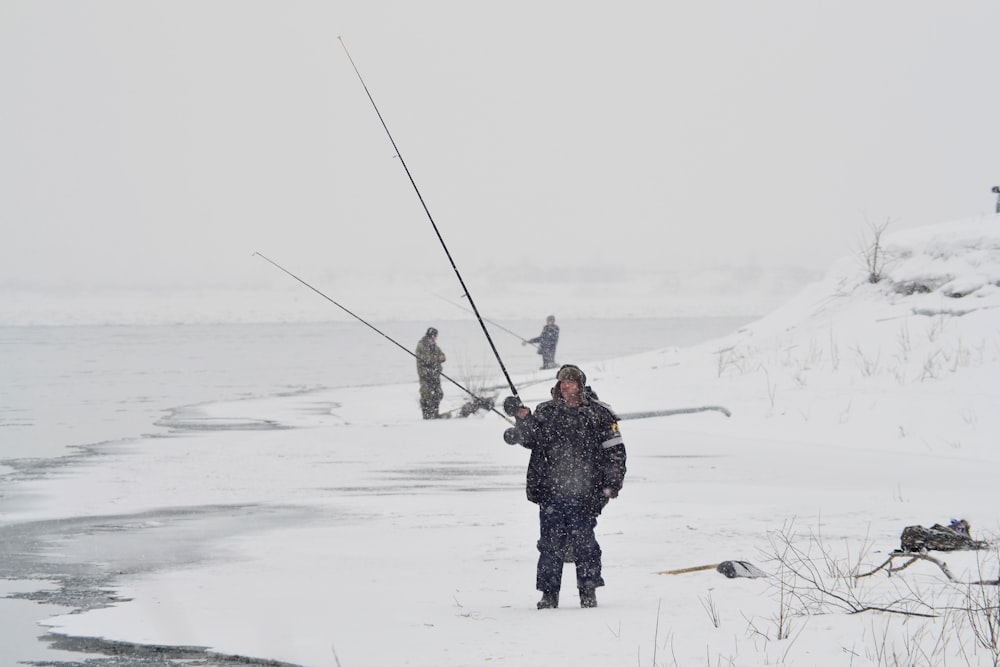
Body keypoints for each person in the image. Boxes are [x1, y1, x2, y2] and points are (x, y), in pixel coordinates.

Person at [504, 364, 626, 609]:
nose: (565, 385)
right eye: (562, 381)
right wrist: (522, 417)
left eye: (570, 381)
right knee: (550, 545)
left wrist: (612, 484)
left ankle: (588, 591)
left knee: (585, 544)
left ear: (580, 385)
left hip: (585, 493)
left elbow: (615, 452)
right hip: (552, 492)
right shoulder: (546, 412)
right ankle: (549, 594)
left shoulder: (599, 414)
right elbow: (531, 439)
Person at [415, 327, 446, 419]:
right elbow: (426, 359)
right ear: (430, 335)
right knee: (426, 395)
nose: (435, 338)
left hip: (435, 375)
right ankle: (427, 415)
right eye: (434, 336)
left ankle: (435, 413)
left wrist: (442, 357)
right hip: (425, 375)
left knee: (438, 394)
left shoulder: (435, 346)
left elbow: (442, 355)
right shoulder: (421, 345)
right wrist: (437, 358)